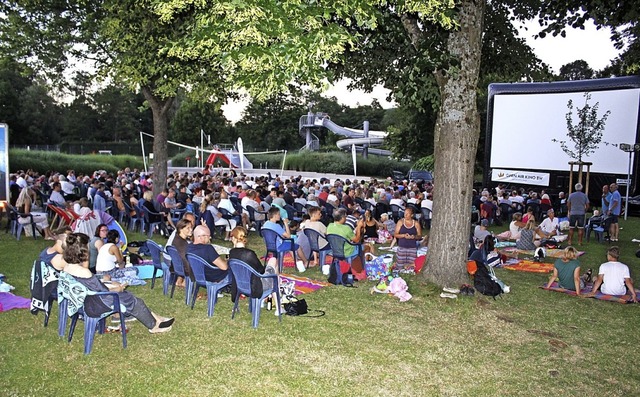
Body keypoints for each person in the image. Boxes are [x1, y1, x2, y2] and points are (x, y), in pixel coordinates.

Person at [62, 233, 175, 333]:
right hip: (97, 303)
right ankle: (154, 326)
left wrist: (108, 282)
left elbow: (92, 285)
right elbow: (103, 291)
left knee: (131, 299)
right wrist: (118, 288)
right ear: (82, 251)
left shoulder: (67, 267)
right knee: (134, 301)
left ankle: (156, 318)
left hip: (88, 301)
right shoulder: (84, 271)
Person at [228, 226, 281, 315]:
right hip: (255, 287)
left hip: (241, 285)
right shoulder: (249, 254)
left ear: (233, 238)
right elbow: (261, 271)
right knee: (274, 262)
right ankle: (278, 306)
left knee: (274, 273)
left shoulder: (232, 253)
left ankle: (269, 300)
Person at [394, 206, 421, 271]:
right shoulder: (400, 222)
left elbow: (419, 236)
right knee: (399, 267)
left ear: (412, 215)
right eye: (405, 213)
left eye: (407, 214)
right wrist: (403, 235)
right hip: (402, 247)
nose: (405, 215)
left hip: (412, 247)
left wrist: (414, 237)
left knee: (412, 267)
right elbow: (395, 234)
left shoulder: (416, 223)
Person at [172, 218, 194, 286]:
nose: (191, 230)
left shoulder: (176, 238)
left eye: (191, 227)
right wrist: (191, 274)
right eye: (188, 228)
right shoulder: (182, 244)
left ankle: (180, 279)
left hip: (176, 267)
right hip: (185, 269)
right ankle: (185, 281)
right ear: (181, 229)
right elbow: (186, 260)